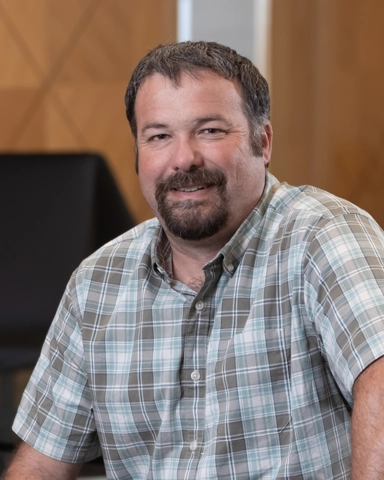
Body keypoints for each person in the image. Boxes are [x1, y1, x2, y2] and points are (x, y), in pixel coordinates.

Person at [4, 41, 384, 480]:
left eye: (210, 131)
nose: (183, 158)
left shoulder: (323, 236)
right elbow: (42, 463)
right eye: (159, 136)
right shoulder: (98, 281)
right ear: (138, 154)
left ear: (263, 142)